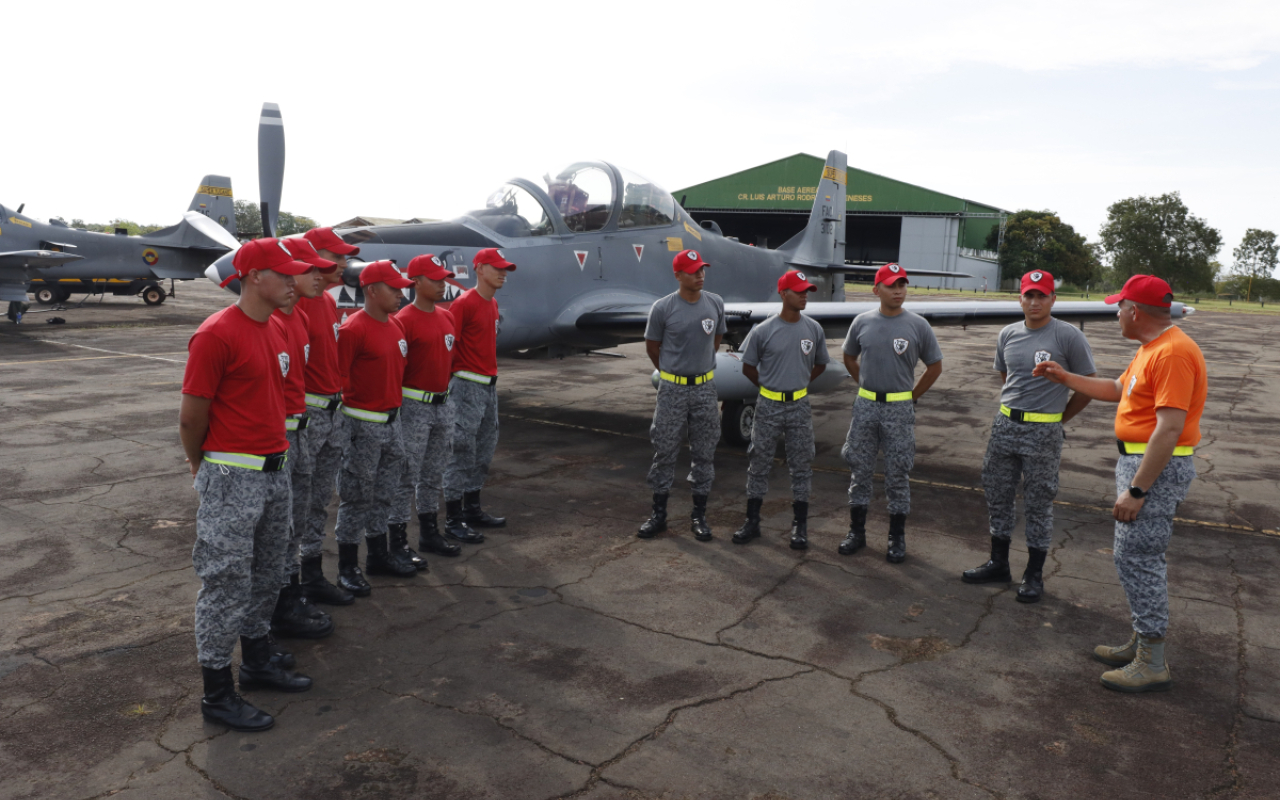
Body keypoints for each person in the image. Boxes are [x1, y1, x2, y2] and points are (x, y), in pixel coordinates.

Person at [1034, 274, 1207, 693]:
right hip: (1138, 463)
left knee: (1139, 558)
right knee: (1131, 557)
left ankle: (1152, 660)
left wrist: (1138, 490)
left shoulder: (1172, 353)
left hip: (1153, 471)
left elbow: (1168, 429)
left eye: (1119, 306)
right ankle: (1141, 640)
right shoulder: (1152, 349)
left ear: (1135, 311)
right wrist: (1065, 378)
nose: (1116, 313)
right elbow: (1116, 389)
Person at [179, 238, 315, 732]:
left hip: (274, 470)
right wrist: (203, 468)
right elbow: (192, 418)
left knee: (268, 572)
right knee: (226, 583)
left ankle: (257, 661)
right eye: (283, 274)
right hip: (233, 474)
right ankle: (217, 693)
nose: (292, 282)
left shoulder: (276, 329)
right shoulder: (217, 334)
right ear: (254, 275)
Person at [962, 270, 1096, 603]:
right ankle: (998, 563)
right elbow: (1008, 378)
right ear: (1019, 298)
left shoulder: (1067, 336)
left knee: (1038, 504)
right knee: (998, 495)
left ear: (1053, 299)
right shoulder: (1007, 334)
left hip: (1043, 432)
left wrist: (1059, 418)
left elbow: (1087, 384)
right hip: (1005, 427)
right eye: (1029, 296)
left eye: (1042, 296)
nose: (1035, 302)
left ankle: (1034, 574)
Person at [838, 264, 942, 562]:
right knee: (860, 470)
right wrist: (865, 384)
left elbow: (935, 366)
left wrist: (912, 397)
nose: (899, 290)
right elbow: (848, 356)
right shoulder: (861, 322)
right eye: (892, 285)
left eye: (902, 284)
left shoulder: (918, 325)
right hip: (866, 406)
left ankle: (896, 538)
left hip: (899, 407)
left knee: (898, 473)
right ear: (876, 289)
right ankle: (856, 532)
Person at [267, 237, 338, 640]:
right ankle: (282, 603)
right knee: (281, 527)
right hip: (283, 435)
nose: (318, 274)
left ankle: (296, 590)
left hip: (302, 429)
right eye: (307, 269)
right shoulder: (275, 322)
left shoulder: (299, 316)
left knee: (302, 516)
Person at [334, 261, 416, 593]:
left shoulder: (396, 326)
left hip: (391, 424)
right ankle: (347, 565)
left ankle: (378, 555)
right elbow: (339, 382)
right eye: (394, 288)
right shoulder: (354, 329)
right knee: (356, 497)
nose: (401, 293)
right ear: (371, 290)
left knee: (385, 493)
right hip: (361, 427)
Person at [732, 270, 829, 549]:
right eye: (798, 290)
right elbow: (748, 366)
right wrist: (768, 386)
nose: (804, 295)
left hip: (799, 406)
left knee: (801, 464)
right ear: (783, 293)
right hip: (768, 404)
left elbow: (821, 363)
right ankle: (752, 521)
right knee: (759, 462)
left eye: (806, 291)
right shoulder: (763, 331)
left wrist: (800, 382)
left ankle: (800, 526)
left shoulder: (813, 329)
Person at [638, 249, 727, 541]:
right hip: (672, 388)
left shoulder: (715, 303)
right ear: (678, 275)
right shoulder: (663, 308)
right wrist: (672, 373)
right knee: (664, 449)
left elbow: (715, 340)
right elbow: (653, 347)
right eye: (693, 271)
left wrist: (698, 367)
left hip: (704, 388)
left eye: (702, 269)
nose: (700, 275)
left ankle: (699, 516)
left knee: (704, 451)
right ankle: (658, 515)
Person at [294, 229, 360, 604]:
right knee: (297, 504)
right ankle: (290, 585)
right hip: (309, 415)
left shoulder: (326, 301)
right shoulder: (300, 301)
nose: (342, 264)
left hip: (332, 413)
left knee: (320, 500)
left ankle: (312, 573)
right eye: (334, 256)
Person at [392, 254, 462, 564]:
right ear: (415, 281)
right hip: (413, 406)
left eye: (444, 277)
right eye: (435, 278)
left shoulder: (447, 317)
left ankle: (430, 531)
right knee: (406, 475)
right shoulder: (403, 320)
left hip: (442, 404)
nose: (442, 283)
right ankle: (397, 540)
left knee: (434, 472)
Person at [442, 247, 516, 542]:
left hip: (488, 385)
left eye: (505, 269)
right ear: (480, 269)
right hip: (466, 386)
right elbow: (449, 347)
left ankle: (472, 509)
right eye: (496, 267)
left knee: (485, 448)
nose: (503, 273)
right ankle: (453, 518)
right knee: (461, 450)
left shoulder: (492, 305)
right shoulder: (464, 304)